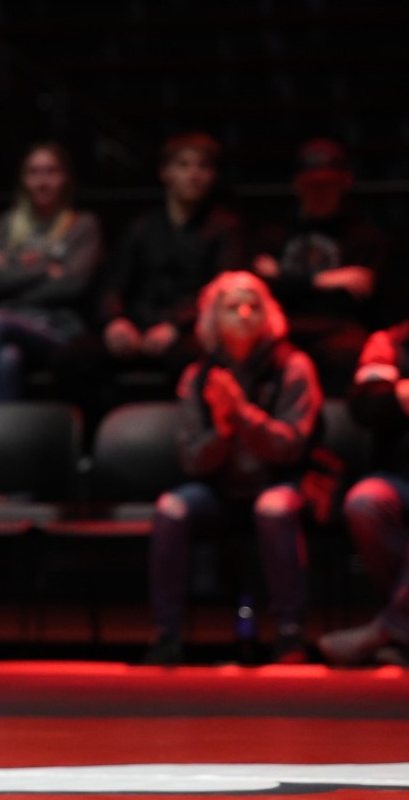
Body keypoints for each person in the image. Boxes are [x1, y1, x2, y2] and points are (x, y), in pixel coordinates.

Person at [143, 270, 323, 666]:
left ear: (269, 315)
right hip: (220, 490)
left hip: (282, 482)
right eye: (231, 307)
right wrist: (223, 433)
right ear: (212, 318)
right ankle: (166, 635)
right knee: (171, 508)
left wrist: (242, 415)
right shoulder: (198, 377)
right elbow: (191, 459)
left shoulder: (293, 368)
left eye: (253, 306)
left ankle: (291, 634)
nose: (244, 314)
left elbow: (290, 448)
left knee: (273, 508)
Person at [51, 131, 247, 427]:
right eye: (184, 166)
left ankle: (182, 440)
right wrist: (115, 321)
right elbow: (114, 282)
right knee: (72, 358)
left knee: (196, 359)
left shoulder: (225, 228)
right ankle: (93, 442)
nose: (194, 175)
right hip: (137, 327)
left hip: (186, 330)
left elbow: (222, 290)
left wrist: (174, 325)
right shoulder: (143, 227)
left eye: (203, 167)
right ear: (165, 173)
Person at [0, 141, 102, 440]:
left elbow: (71, 286)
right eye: (34, 172)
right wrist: (46, 267)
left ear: (65, 178)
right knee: (6, 359)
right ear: (23, 180)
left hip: (57, 331)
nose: (42, 180)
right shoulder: (7, 225)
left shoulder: (82, 225)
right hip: (11, 332)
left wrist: (12, 273)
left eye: (51, 172)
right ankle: (8, 466)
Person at [251, 138, 391, 398]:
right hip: (284, 327)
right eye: (312, 184)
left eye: (328, 184)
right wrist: (324, 281)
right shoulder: (274, 233)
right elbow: (262, 288)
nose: (320, 191)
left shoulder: (364, 237)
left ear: (345, 183)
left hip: (338, 328)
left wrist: (286, 278)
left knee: (347, 353)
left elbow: (358, 297)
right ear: (297, 185)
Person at [316, 319, 409, 666]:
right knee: (365, 502)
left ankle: (387, 630)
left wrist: (398, 390)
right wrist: (397, 395)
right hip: (399, 476)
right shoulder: (391, 342)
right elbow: (367, 406)